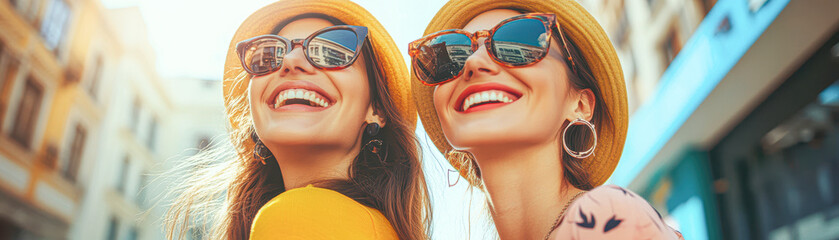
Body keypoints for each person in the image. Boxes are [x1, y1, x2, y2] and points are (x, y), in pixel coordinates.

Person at [409, 0, 683, 239]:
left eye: (520, 41)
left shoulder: (603, 219)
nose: (473, 63)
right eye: (452, 57)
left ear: (580, 104)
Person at [165, 0, 430, 239]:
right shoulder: (376, 225)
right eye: (268, 55)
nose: (290, 60)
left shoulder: (296, 215)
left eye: (333, 51)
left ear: (377, 110)